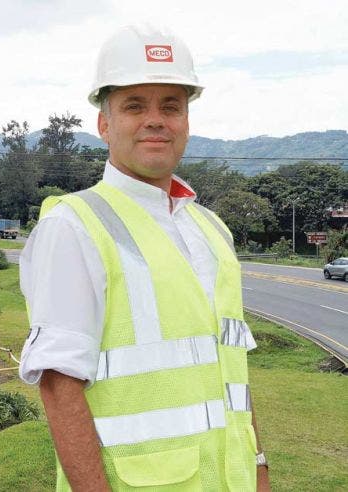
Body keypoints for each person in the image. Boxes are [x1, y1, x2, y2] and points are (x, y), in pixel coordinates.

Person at [19, 25, 270, 491]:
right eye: (135, 105)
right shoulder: (75, 226)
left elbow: (233, 370)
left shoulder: (210, 230)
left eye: (170, 106)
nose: (156, 120)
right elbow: (58, 384)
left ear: (187, 122)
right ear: (104, 123)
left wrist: (258, 466)